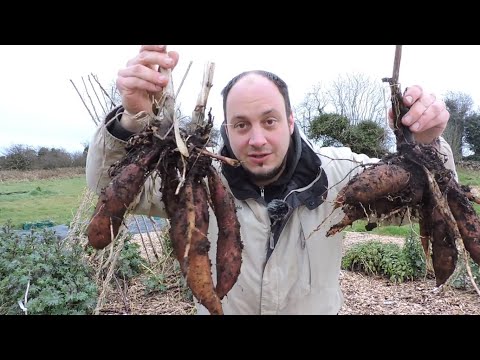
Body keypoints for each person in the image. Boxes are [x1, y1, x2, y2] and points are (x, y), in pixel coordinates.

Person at [86, 45, 456, 315]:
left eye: (270, 120)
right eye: (242, 125)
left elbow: (418, 206)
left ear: (291, 121)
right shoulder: (193, 182)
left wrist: (427, 147)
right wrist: (131, 119)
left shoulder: (343, 173)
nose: (257, 139)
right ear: (225, 128)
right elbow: (111, 190)